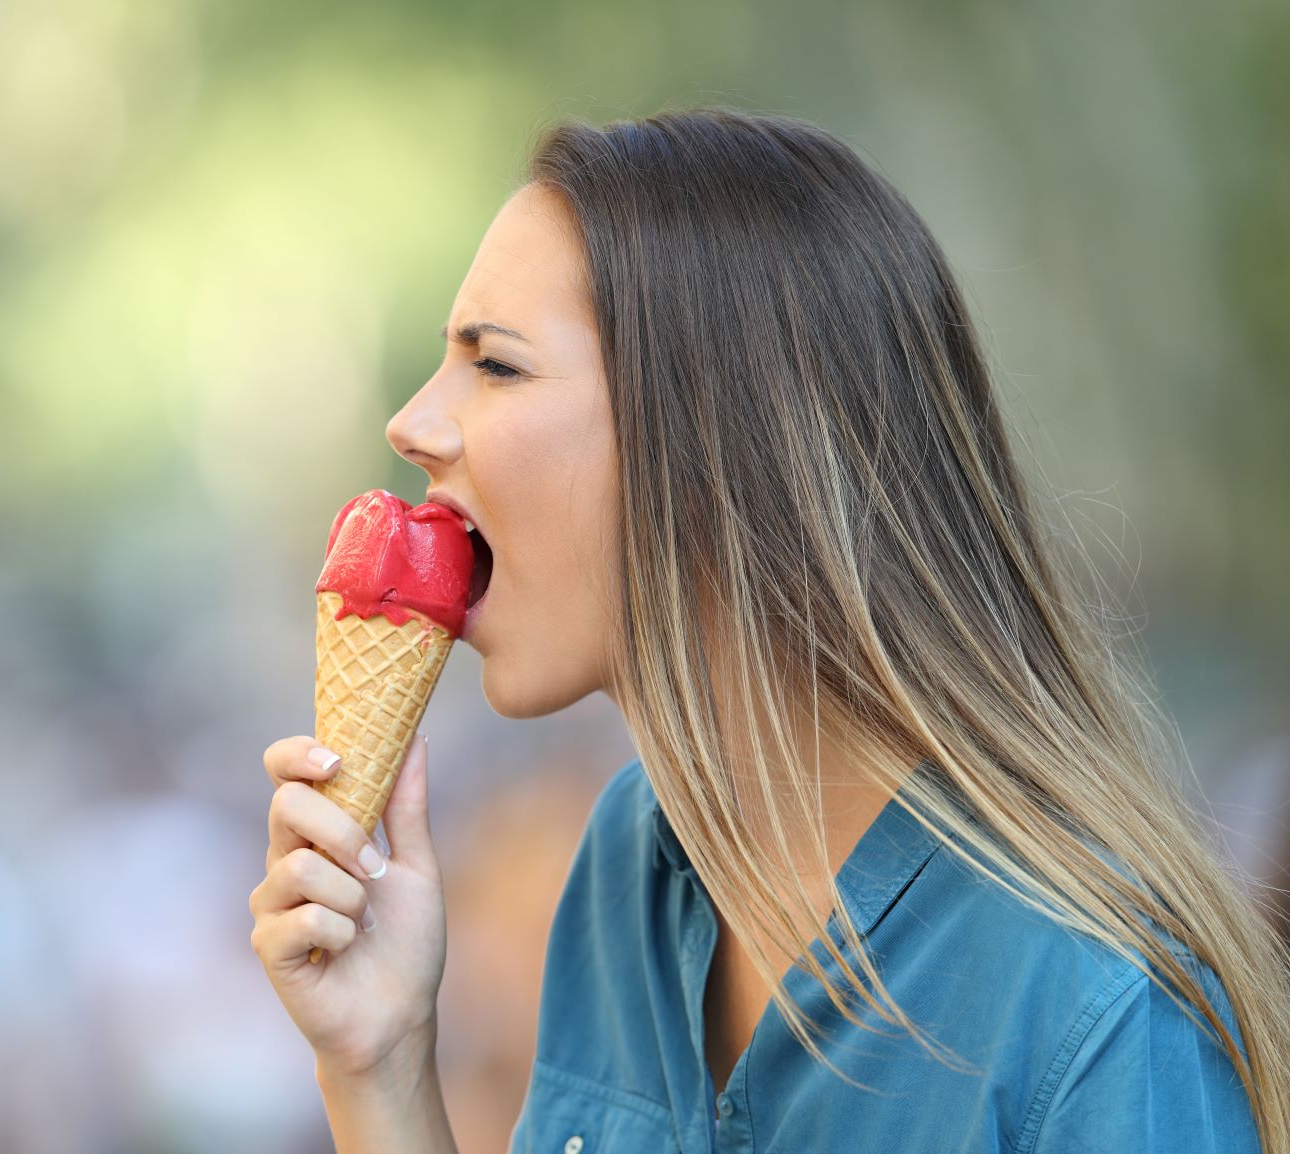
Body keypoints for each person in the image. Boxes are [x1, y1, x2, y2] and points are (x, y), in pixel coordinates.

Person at [247, 106, 1288, 1153]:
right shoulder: (628, 872)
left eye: (495, 365)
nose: (411, 422)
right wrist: (376, 1062)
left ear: (714, 448)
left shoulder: (1094, 1016)